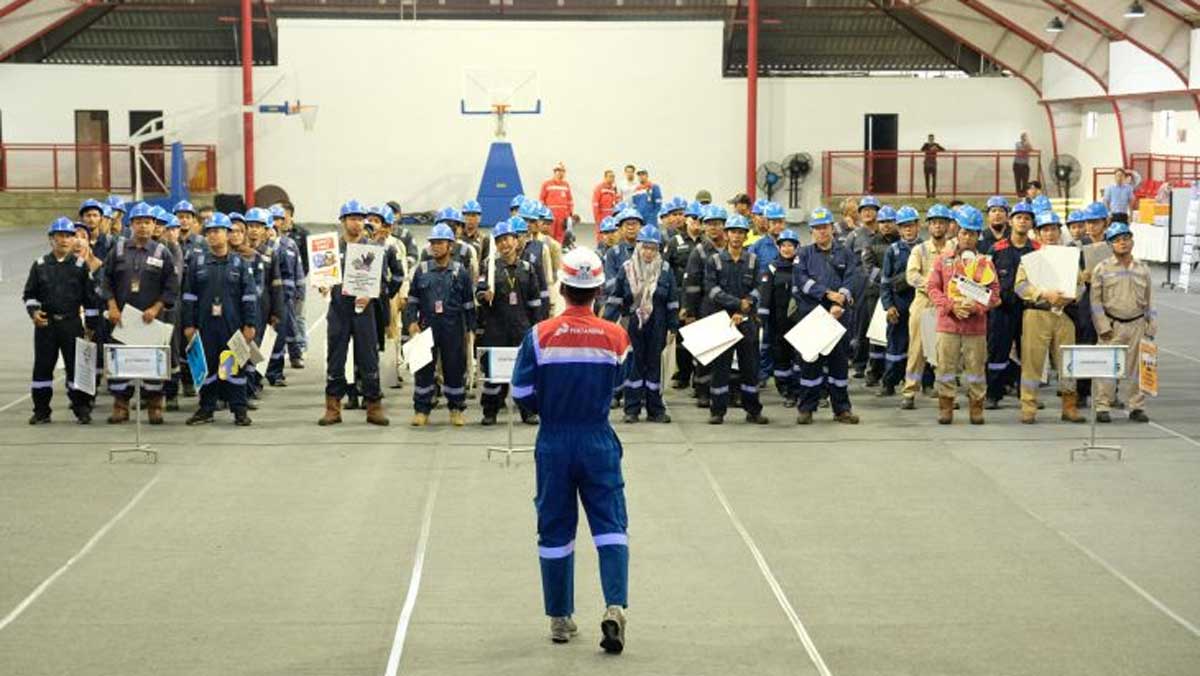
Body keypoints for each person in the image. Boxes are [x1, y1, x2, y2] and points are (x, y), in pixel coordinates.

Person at [511, 247, 631, 653]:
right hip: (598, 439)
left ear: (561, 288)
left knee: (555, 530)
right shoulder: (616, 336)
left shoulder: (539, 335)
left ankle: (560, 618)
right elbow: (619, 385)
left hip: (555, 440)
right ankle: (614, 606)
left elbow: (521, 393)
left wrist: (551, 405)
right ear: (598, 289)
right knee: (611, 525)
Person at [318, 200, 403, 427]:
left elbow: (382, 282)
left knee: (369, 358)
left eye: (359, 218)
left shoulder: (372, 249)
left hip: (365, 311)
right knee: (335, 359)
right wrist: (323, 286)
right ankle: (332, 408)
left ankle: (374, 406)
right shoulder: (331, 249)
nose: (357, 223)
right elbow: (322, 278)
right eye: (352, 218)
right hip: (338, 310)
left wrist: (372, 293)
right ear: (343, 221)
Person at [100, 202, 179, 425]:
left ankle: (154, 406)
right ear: (131, 224)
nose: (143, 226)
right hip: (122, 320)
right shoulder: (117, 250)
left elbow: (172, 286)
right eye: (138, 222)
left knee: (152, 363)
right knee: (120, 362)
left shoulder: (162, 252)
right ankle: (120, 406)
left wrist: (156, 308)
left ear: (154, 225)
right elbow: (105, 280)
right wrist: (112, 306)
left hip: (151, 320)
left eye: (147, 222)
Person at [180, 213, 258, 426]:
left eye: (218, 231)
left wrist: (249, 325)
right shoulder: (197, 264)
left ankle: (239, 410)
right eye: (209, 232)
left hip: (233, 326)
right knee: (208, 367)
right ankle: (206, 408)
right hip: (205, 326)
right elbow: (188, 297)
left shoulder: (239, 264)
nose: (213, 235)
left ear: (227, 234)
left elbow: (249, 296)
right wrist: (188, 325)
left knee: (234, 367)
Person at [926, 205, 1000, 425]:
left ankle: (976, 407)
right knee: (945, 368)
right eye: (964, 232)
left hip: (975, 327)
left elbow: (994, 294)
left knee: (976, 369)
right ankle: (946, 406)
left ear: (978, 235)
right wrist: (951, 307)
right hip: (948, 324)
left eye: (973, 233)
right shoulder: (943, 259)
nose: (968, 237)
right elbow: (932, 288)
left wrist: (976, 308)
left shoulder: (985, 262)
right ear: (956, 232)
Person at [23, 217, 101, 425]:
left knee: (76, 368)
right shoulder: (39, 266)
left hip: (71, 324)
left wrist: (91, 326)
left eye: (68, 236)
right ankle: (41, 411)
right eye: (60, 236)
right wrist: (34, 312)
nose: (65, 240)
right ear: (51, 239)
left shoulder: (80, 267)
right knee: (42, 368)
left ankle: (81, 409)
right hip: (46, 326)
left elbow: (90, 299)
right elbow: (29, 295)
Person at [1013, 211, 1087, 424]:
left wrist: (1070, 297)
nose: (1050, 233)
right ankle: (1028, 406)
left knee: (1068, 362)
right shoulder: (1030, 259)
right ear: (1037, 233)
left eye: (1054, 229)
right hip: (1037, 313)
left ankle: (1069, 405)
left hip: (1064, 315)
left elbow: (1081, 284)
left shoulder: (1070, 258)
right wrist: (1044, 294)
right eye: (1045, 230)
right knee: (1032, 362)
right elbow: (1020, 286)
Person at [602, 224, 678, 423]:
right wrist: (607, 325)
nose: (648, 252)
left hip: (658, 323)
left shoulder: (666, 270)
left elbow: (672, 300)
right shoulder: (627, 269)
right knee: (634, 365)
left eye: (653, 248)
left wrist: (673, 327)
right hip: (631, 324)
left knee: (654, 366)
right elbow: (616, 297)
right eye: (645, 247)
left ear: (658, 250)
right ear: (638, 247)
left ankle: (655, 410)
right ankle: (632, 409)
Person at [792, 207, 861, 424]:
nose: (821, 232)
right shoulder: (803, 254)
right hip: (813, 316)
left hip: (839, 316)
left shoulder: (845, 253)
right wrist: (827, 294)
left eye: (825, 227)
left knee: (839, 364)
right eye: (817, 228)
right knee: (810, 362)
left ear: (832, 228)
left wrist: (842, 299)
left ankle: (842, 409)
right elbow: (802, 281)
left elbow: (852, 278)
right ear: (811, 231)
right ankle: (806, 408)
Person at [405, 224, 476, 427]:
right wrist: (411, 322)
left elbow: (468, 303)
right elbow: (412, 300)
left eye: (440, 243)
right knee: (424, 368)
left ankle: (456, 409)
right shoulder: (422, 270)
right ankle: (421, 410)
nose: (435, 247)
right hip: (427, 326)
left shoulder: (460, 272)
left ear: (450, 246)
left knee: (455, 367)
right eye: (433, 243)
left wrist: (471, 329)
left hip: (453, 327)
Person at [702, 214, 768, 425]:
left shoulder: (753, 260)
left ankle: (753, 410)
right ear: (727, 234)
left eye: (741, 232)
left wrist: (746, 305)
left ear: (745, 235)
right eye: (733, 232)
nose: (737, 236)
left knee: (750, 366)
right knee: (720, 367)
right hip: (723, 320)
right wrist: (737, 305)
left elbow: (760, 288)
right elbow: (711, 290)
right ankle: (717, 411)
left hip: (747, 320)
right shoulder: (715, 261)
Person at [476, 220, 542, 426]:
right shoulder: (488, 267)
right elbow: (478, 291)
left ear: (516, 241)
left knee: (524, 372)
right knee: (494, 372)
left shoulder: (527, 269)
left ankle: (527, 411)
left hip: (521, 328)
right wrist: (483, 295)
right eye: (499, 241)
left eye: (507, 239)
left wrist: (536, 328)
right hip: (496, 328)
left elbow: (535, 302)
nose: (504, 244)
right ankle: (490, 411)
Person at [1091, 222, 1155, 424]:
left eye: (1126, 239)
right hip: (1112, 325)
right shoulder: (1101, 269)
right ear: (1110, 245)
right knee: (1107, 366)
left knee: (1138, 368)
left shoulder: (1143, 268)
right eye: (1117, 240)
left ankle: (1137, 406)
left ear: (1132, 241)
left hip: (1137, 324)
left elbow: (1149, 298)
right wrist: (1102, 326)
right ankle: (1103, 405)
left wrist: (1151, 322)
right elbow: (1095, 302)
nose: (1123, 243)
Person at [985, 201, 1039, 409]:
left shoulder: (1037, 250)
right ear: (1011, 221)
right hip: (1002, 310)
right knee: (997, 353)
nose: (1023, 221)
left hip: (1028, 310)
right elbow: (984, 278)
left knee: (1029, 354)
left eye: (1027, 218)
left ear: (1032, 223)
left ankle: (1026, 395)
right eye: (1019, 218)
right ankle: (993, 394)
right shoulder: (996, 249)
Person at [899, 204, 954, 409]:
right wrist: (932, 287)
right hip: (923, 302)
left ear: (949, 226)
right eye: (934, 223)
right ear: (928, 226)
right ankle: (910, 391)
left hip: (948, 304)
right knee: (917, 349)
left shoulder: (954, 250)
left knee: (946, 351)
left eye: (942, 222)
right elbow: (911, 276)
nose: (938, 226)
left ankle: (945, 393)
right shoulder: (919, 250)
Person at [684, 205, 727, 408]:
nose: (713, 228)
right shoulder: (699, 252)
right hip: (706, 307)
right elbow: (691, 284)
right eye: (709, 224)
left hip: (729, 308)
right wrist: (690, 311)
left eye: (717, 224)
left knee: (727, 353)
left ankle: (725, 391)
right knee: (705, 351)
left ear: (724, 226)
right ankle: (702, 391)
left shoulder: (732, 249)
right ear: (703, 226)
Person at [878, 206, 920, 398]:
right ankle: (889, 383)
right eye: (903, 227)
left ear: (918, 226)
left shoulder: (925, 249)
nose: (908, 230)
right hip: (899, 304)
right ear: (899, 229)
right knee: (895, 346)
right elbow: (885, 281)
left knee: (922, 345)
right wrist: (889, 307)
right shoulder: (893, 251)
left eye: (911, 226)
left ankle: (924, 383)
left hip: (921, 303)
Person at [757, 228, 801, 407]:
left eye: (790, 245)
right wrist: (763, 317)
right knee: (781, 355)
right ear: (779, 247)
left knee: (799, 356)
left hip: (800, 321)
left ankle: (799, 389)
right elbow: (765, 294)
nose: (787, 249)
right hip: (778, 321)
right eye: (784, 245)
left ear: (796, 247)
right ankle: (786, 390)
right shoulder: (772, 268)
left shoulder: (802, 267)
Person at [665, 201, 703, 389]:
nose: (696, 222)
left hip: (702, 297)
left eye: (700, 219)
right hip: (680, 295)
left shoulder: (708, 243)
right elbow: (666, 269)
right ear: (686, 220)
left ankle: (700, 377)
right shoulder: (674, 242)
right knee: (682, 337)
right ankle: (683, 374)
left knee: (702, 337)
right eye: (693, 218)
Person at [857, 203, 896, 386]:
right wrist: (890, 281)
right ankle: (874, 371)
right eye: (882, 222)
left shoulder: (902, 242)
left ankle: (896, 371)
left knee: (897, 334)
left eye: (889, 221)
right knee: (877, 335)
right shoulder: (871, 243)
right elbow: (868, 269)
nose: (886, 225)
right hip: (876, 293)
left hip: (900, 294)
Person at [265, 209, 303, 387]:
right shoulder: (259, 249)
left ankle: (275, 372)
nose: (273, 227)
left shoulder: (289, 245)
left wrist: (297, 293)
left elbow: (296, 271)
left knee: (279, 336)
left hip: (283, 298)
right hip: (262, 298)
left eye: (277, 221)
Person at [280, 201, 311, 358]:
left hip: (297, 281)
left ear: (291, 216)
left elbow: (307, 259)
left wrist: (300, 278)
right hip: (279, 285)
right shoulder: (272, 234)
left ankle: (301, 347)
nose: (280, 220)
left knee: (298, 316)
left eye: (283, 217)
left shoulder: (302, 234)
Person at [540, 162, 575, 243]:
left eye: (563, 171)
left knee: (560, 234)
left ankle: (558, 250)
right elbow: (542, 199)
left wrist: (569, 214)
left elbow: (570, 200)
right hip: (550, 215)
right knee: (549, 234)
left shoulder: (566, 185)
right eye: (559, 171)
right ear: (554, 172)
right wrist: (543, 214)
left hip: (562, 215)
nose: (561, 173)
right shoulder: (547, 184)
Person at [592, 169, 620, 242]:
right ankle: (600, 247)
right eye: (610, 176)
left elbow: (616, 202)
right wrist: (597, 217)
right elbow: (595, 203)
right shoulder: (599, 188)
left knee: (612, 232)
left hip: (611, 214)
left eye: (613, 177)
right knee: (601, 232)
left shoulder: (613, 189)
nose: (612, 178)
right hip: (602, 214)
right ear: (605, 177)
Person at [920, 134, 946, 198]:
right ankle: (928, 193)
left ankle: (933, 193)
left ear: (933, 138)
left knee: (934, 179)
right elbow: (922, 150)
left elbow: (943, 150)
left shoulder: (936, 145)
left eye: (932, 138)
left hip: (933, 163)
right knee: (927, 179)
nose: (931, 139)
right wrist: (930, 148)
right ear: (928, 139)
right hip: (927, 163)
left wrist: (936, 148)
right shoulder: (926, 145)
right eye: (930, 138)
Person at [1013, 132, 1033, 197]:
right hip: (1017, 165)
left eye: (1025, 137)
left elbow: (1030, 149)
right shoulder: (1017, 143)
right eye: (1023, 136)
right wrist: (1025, 150)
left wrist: (1027, 145)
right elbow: (1020, 150)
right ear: (1021, 137)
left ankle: (1024, 194)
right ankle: (1019, 194)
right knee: (1017, 180)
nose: (1024, 138)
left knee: (1025, 181)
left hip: (1025, 165)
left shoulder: (1028, 143)